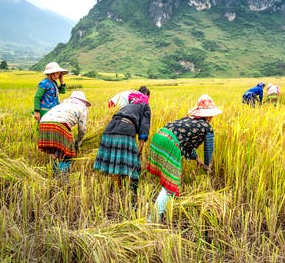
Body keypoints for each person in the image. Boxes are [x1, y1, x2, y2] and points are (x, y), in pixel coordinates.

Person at [146, 94, 222, 222]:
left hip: (159, 137)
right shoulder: (207, 127)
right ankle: (152, 220)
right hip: (170, 144)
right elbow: (208, 150)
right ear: (209, 115)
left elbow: (184, 140)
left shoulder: (188, 120)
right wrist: (207, 166)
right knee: (170, 186)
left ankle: (162, 208)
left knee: (167, 181)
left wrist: (196, 158)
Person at [93, 87, 151, 206]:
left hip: (110, 128)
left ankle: (117, 192)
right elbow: (144, 127)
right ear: (147, 97)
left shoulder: (126, 106)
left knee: (115, 162)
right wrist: (140, 147)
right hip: (125, 129)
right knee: (133, 164)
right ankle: (131, 196)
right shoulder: (145, 105)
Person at [38, 91, 91, 176]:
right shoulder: (82, 108)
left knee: (57, 152)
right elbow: (82, 129)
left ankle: (55, 174)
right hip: (59, 126)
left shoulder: (62, 105)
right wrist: (78, 142)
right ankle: (63, 177)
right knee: (67, 154)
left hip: (43, 124)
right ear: (83, 101)